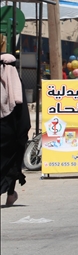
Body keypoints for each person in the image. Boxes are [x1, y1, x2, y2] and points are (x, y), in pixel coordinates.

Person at [1, 54, 30, 207]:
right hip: (12, 134)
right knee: (12, 162)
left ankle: (11, 194)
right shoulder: (16, 83)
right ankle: (10, 193)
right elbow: (23, 115)